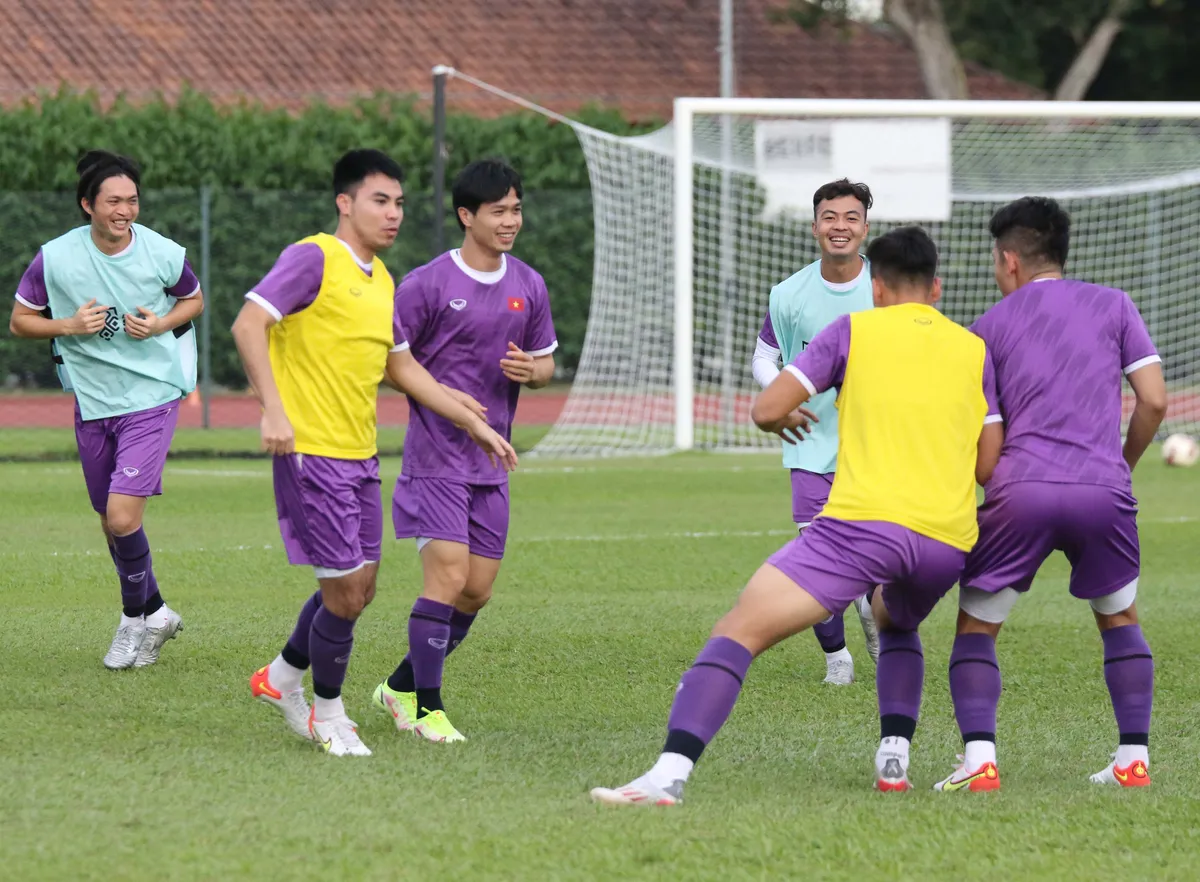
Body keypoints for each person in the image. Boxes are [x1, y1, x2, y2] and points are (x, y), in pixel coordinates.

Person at [590, 226, 1003, 805]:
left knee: (738, 629)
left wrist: (781, 419)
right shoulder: (973, 347)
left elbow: (767, 407)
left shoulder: (854, 328)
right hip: (947, 540)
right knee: (895, 621)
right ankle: (893, 757)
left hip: (861, 527)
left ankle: (667, 776)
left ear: (876, 287)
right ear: (936, 288)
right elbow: (988, 464)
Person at [234, 149, 517, 757]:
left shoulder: (381, 279)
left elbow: (402, 366)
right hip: (311, 453)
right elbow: (247, 324)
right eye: (379, 201)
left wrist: (468, 416)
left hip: (361, 456)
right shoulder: (313, 258)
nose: (393, 215)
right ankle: (328, 714)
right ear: (346, 203)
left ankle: (280, 678)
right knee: (343, 593)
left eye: (400, 204)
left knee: (360, 589)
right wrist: (273, 409)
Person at [935, 197, 1167, 792]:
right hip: (1102, 489)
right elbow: (1156, 400)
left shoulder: (986, 328)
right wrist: (1120, 466)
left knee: (977, 628)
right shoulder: (1115, 304)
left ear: (1010, 259)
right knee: (1119, 616)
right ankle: (1132, 759)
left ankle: (980, 760)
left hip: (1022, 490)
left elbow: (981, 435)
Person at [372, 158, 558, 744]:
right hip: (436, 460)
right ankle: (426, 709)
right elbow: (389, 364)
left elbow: (548, 362)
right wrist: (447, 400)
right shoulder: (426, 284)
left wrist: (536, 370)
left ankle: (399, 685)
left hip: (492, 464)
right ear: (466, 216)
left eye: (517, 210)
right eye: (498, 211)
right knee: (447, 579)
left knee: (476, 591)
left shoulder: (528, 283)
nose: (510, 221)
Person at [9, 150, 202, 670]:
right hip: (93, 401)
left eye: (132, 200)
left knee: (121, 516)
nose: (125, 210)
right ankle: (157, 611)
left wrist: (160, 325)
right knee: (108, 521)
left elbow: (193, 300)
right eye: (114, 201)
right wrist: (68, 326)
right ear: (87, 204)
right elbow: (21, 321)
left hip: (152, 395)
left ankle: (132, 621)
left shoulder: (161, 252)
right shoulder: (55, 258)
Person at [753, 178, 879, 685]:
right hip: (810, 445)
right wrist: (782, 400)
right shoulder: (789, 294)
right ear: (814, 227)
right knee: (818, 555)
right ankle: (836, 659)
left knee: (873, 556)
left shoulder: (887, 291)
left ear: (865, 228)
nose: (840, 227)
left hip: (877, 448)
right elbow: (765, 356)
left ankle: (873, 610)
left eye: (850, 217)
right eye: (830, 217)